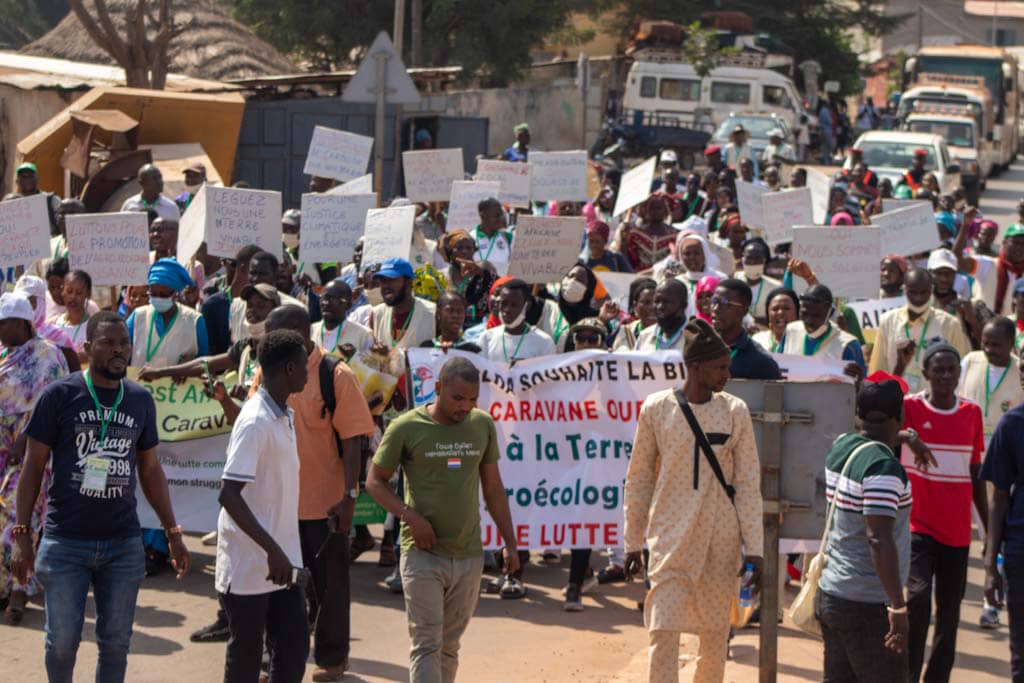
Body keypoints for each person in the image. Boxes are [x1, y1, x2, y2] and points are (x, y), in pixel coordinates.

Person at [12, 311, 190, 683]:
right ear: (88, 348)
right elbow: (32, 467)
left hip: (122, 543)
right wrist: (22, 535)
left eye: (123, 343)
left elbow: (151, 469)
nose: (119, 350)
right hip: (65, 541)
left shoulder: (140, 400)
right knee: (61, 642)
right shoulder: (59, 396)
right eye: (108, 343)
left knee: (115, 643)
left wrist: (172, 533)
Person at [624, 318, 763, 683]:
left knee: (716, 635)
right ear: (695, 366)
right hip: (669, 535)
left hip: (721, 539)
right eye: (720, 367)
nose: (727, 374)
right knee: (663, 629)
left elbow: (748, 483)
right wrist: (632, 541)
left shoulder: (735, 411)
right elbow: (639, 478)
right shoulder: (656, 408)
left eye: (728, 366)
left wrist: (756, 549)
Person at [367, 356, 520, 683]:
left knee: (449, 646)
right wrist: (410, 518)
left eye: (472, 399)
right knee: (426, 645)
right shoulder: (406, 427)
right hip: (422, 554)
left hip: (468, 556)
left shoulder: (482, 425)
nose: (465, 406)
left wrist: (510, 543)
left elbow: (493, 488)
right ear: (437, 388)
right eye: (457, 398)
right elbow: (374, 481)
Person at [249, 306, 376, 681]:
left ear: (297, 331)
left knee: (329, 586)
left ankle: (333, 659)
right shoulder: (267, 372)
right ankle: (275, 658)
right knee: (275, 585)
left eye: (272, 332)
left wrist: (350, 497)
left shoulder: (334, 374)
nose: (266, 340)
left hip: (324, 505)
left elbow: (354, 440)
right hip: (277, 505)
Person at [215, 328, 310, 683]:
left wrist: (283, 552)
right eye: (303, 366)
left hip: (283, 561)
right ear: (288, 368)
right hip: (251, 564)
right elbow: (228, 494)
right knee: (246, 658)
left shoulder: (284, 414)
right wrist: (272, 550)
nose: (306, 372)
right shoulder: (255, 421)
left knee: (292, 650)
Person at [815, 379, 913, 683]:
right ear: (900, 415)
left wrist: (909, 439)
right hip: (868, 604)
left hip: (832, 593)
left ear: (858, 414)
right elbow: (878, 538)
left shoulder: (842, 446)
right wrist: (897, 607)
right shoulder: (883, 468)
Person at [901, 339, 987, 683]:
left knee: (949, 616)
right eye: (939, 370)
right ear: (926, 373)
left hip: (957, 532)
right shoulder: (910, 407)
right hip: (917, 527)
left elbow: (976, 473)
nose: (947, 376)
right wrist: (909, 437)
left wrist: (988, 530)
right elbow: (877, 428)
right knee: (918, 602)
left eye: (952, 369)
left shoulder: (971, 413)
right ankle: (907, 674)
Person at [0, 293, 69, 624]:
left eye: (3, 324)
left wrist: (25, 440)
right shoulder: (4, 355)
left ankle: (19, 590)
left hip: (34, 453)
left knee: (19, 520)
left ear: (19, 323)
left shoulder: (48, 357)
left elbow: (53, 407)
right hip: (3, 449)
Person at [981, 366, 1024, 680]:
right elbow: (998, 498)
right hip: (1020, 552)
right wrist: (989, 564)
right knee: (1021, 651)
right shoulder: (1011, 424)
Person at [869, 269, 971, 393]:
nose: (919, 297)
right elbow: (878, 369)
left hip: (934, 404)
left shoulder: (950, 324)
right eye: (913, 292)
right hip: (897, 403)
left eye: (924, 292)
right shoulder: (888, 321)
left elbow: (962, 371)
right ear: (904, 289)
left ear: (932, 289)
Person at [130, 259, 208, 369]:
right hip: (139, 384)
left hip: (176, 386)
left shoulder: (195, 321)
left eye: (163, 294)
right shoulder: (138, 316)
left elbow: (204, 362)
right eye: (153, 294)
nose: (158, 298)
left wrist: (193, 362)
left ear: (176, 293)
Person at [780, 284, 866, 380]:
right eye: (805, 314)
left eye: (816, 315)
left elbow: (859, 387)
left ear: (830, 312)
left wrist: (858, 381)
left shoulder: (849, 345)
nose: (809, 321)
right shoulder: (791, 331)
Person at [711, 279, 781, 380]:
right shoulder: (700, 348)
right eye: (714, 301)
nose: (715, 309)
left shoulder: (761, 362)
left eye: (725, 303)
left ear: (744, 311)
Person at [477, 279, 555, 364]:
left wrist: (526, 368)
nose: (507, 309)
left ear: (527, 306)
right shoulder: (486, 338)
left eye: (514, 305)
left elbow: (546, 374)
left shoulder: (544, 342)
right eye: (504, 303)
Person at [12, 274, 78, 371]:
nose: (25, 307)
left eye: (30, 301)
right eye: (20, 302)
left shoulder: (58, 337)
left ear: (41, 302)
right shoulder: (9, 335)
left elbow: (74, 373)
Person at [369, 258, 437, 351]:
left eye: (391, 280)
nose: (385, 286)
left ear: (408, 283)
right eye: (382, 281)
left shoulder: (433, 313)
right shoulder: (377, 314)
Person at [440, 229, 497, 328]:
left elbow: (497, 288)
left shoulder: (482, 275)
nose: (465, 251)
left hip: (477, 330)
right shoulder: (441, 276)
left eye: (469, 248)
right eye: (459, 248)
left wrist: (481, 273)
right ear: (450, 252)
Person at [312, 278, 373, 360]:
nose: (326, 303)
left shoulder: (363, 335)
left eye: (333, 299)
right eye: (324, 298)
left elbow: (372, 369)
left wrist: (354, 357)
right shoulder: (311, 330)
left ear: (348, 304)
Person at [623, 195, 677, 272]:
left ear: (665, 211)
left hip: (663, 275)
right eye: (652, 208)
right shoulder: (636, 234)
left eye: (658, 208)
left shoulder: (673, 236)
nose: (655, 211)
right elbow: (630, 258)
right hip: (640, 275)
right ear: (647, 211)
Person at [635, 279, 688, 354]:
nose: (660, 307)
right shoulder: (644, 336)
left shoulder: (697, 339)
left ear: (683, 305)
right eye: (657, 301)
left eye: (667, 302)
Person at [736, 238, 781, 323]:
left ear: (764, 260)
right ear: (742, 259)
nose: (753, 262)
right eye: (749, 258)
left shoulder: (775, 287)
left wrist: (754, 321)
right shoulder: (734, 281)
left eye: (757, 258)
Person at [52, 269, 94, 360]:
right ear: (63, 291)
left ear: (88, 294)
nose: (73, 297)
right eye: (69, 291)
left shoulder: (94, 328)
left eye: (79, 293)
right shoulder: (54, 324)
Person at [612, 278, 657, 351]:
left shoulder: (667, 334)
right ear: (635, 306)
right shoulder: (626, 332)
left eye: (656, 302)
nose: (652, 307)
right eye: (646, 302)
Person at [752, 287, 799, 354]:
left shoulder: (804, 341)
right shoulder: (758, 340)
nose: (780, 312)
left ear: (796, 313)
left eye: (786, 308)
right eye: (775, 309)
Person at [473, 198, 513, 276]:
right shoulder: (470, 238)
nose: (500, 218)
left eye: (501, 214)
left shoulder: (509, 237)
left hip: (501, 286)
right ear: (483, 216)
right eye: (496, 216)